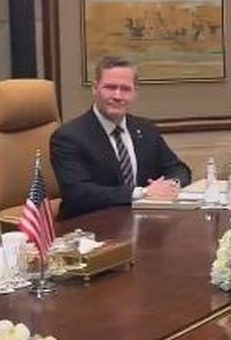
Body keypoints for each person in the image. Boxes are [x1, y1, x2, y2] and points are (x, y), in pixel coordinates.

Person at [51, 55, 191, 220]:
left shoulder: (145, 129)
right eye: (110, 87)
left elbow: (179, 169)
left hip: (142, 222)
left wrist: (170, 185)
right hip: (90, 225)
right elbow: (78, 193)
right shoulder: (69, 136)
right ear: (95, 89)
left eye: (125, 89)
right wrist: (143, 192)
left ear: (134, 93)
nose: (117, 96)